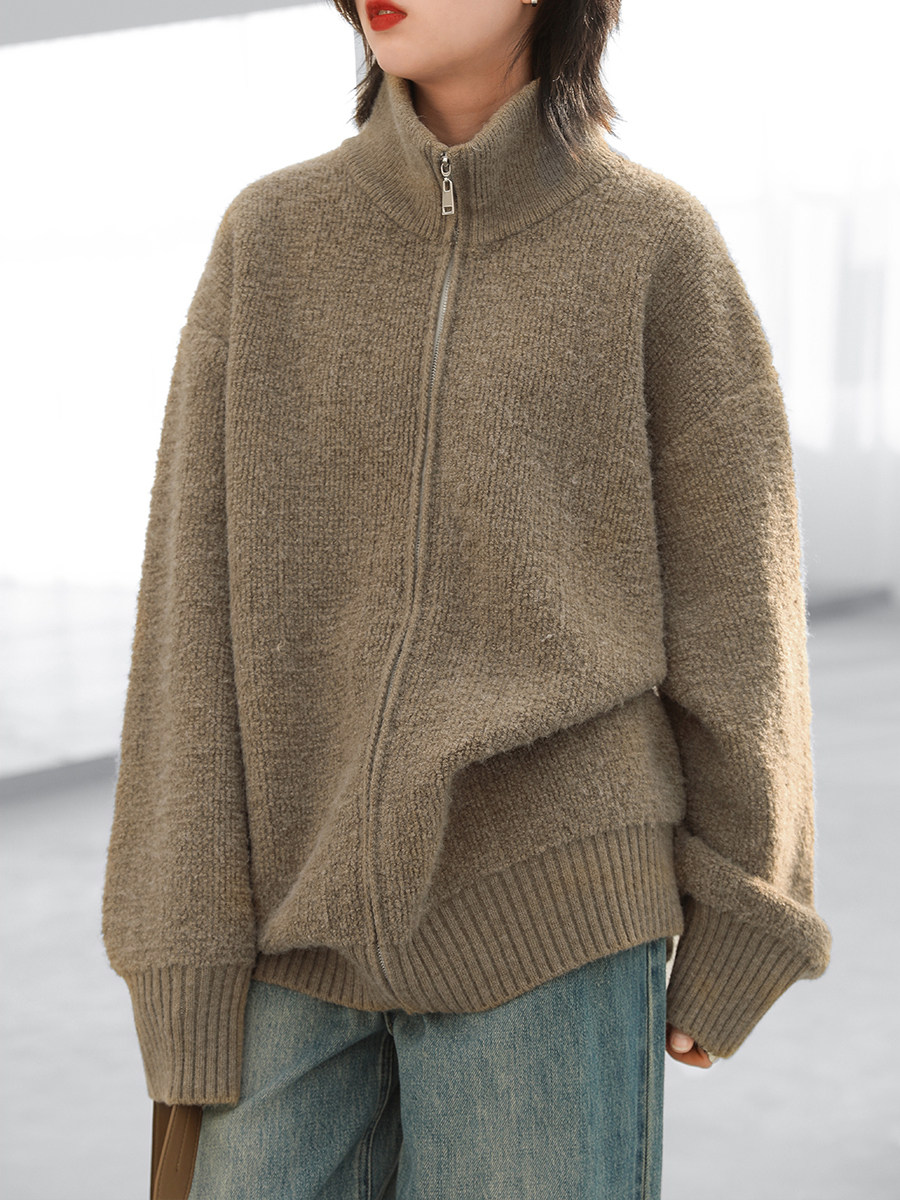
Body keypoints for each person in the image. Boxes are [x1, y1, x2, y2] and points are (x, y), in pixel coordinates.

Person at [101, 2, 834, 1197]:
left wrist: (749, 909)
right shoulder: (270, 243)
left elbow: (740, 616)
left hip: (558, 924)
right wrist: (178, 946)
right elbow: (188, 623)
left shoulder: (655, 248)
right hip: (293, 932)